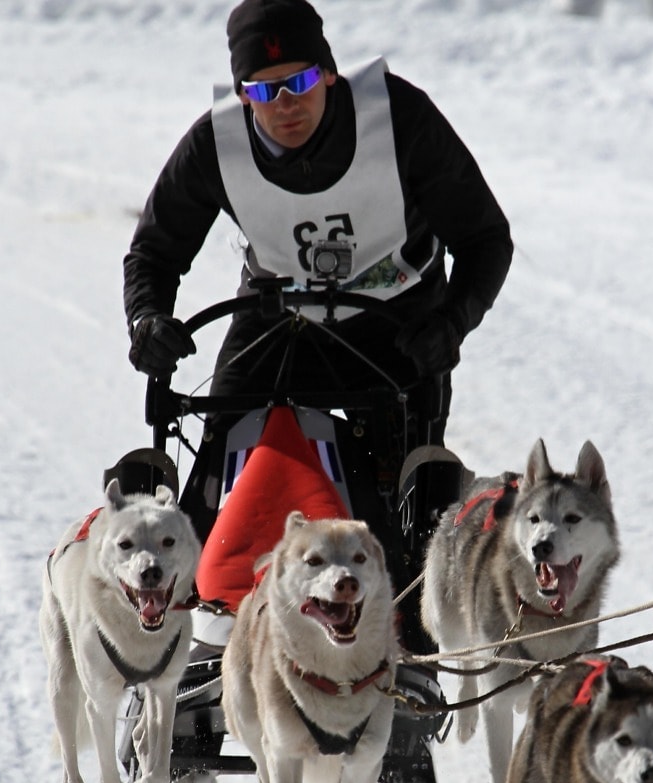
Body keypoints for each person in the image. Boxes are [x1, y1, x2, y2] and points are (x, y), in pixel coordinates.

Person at [122, 0, 512, 649]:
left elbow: (485, 239)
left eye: (301, 81)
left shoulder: (400, 120)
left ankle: (406, 635)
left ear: (328, 75)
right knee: (219, 446)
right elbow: (154, 252)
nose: (286, 103)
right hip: (278, 318)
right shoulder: (214, 143)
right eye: (265, 90)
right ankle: (180, 626)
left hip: (396, 318)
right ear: (245, 94)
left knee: (408, 482)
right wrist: (146, 318)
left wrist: (452, 324)